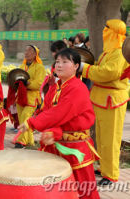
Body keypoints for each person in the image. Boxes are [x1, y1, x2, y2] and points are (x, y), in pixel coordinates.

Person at [18, 48, 100, 199]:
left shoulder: (78, 88)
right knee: (57, 190)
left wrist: (32, 123)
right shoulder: (56, 87)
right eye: (57, 62)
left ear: (76, 66)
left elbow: (60, 113)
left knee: (83, 191)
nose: (59, 65)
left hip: (75, 148)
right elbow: (48, 111)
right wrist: (53, 132)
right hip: (56, 144)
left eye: (65, 62)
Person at [80, 19, 129, 185]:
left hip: (112, 100)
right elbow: (100, 69)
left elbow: (109, 73)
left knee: (111, 138)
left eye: (106, 29)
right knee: (101, 137)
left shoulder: (121, 52)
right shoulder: (108, 52)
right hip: (101, 97)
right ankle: (104, 166)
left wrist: (85, 68)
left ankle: (111, 174)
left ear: (114, 32)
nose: (104, 32)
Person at [12, 45, 46, 148]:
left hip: (31, 99)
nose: (26, 53)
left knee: (25, 118)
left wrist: (26, 83)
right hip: (20, 97)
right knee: (23, 120)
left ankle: (21, 142)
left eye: (29, 51)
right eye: (25, 50)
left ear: (35, 54)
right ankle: (30, 142)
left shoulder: (39, 67)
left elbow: (38, 84)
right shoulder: (22, 67)